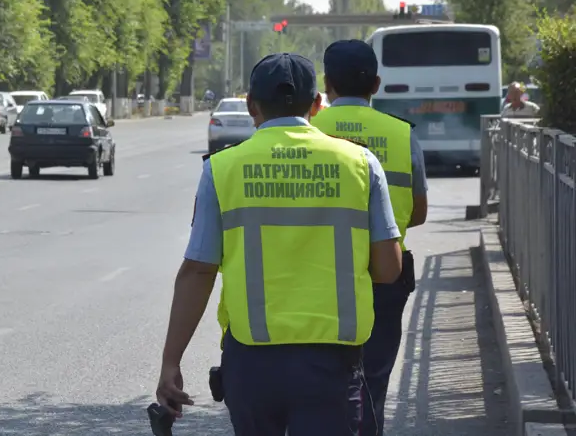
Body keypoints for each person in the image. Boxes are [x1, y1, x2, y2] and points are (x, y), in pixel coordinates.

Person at [155, 52, 403, 435]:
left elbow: (198, 271)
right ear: (318, 105)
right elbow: (388, 270)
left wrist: (171, 362)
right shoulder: (361, 163)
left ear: (251, 104)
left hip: (252, 365)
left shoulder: (221, 169)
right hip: (331, 364)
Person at [313, 40, 429, 435]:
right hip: (386, 276)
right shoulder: (400, 134)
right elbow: (420, 212)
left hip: (323, 275)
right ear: (376, 84)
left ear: (326, 84)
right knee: (372, 382)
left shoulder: (310, 131)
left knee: (323, 382)